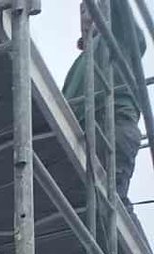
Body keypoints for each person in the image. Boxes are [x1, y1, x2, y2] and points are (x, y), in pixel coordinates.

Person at [65, 0, 148, 206]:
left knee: (111, 200)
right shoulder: (81, 62)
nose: (87, 13)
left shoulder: (117, 39)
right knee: (91, 205)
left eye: (94, 5)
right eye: (83, 9)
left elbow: (127, 22)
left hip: (111, 124)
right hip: (82, 133)